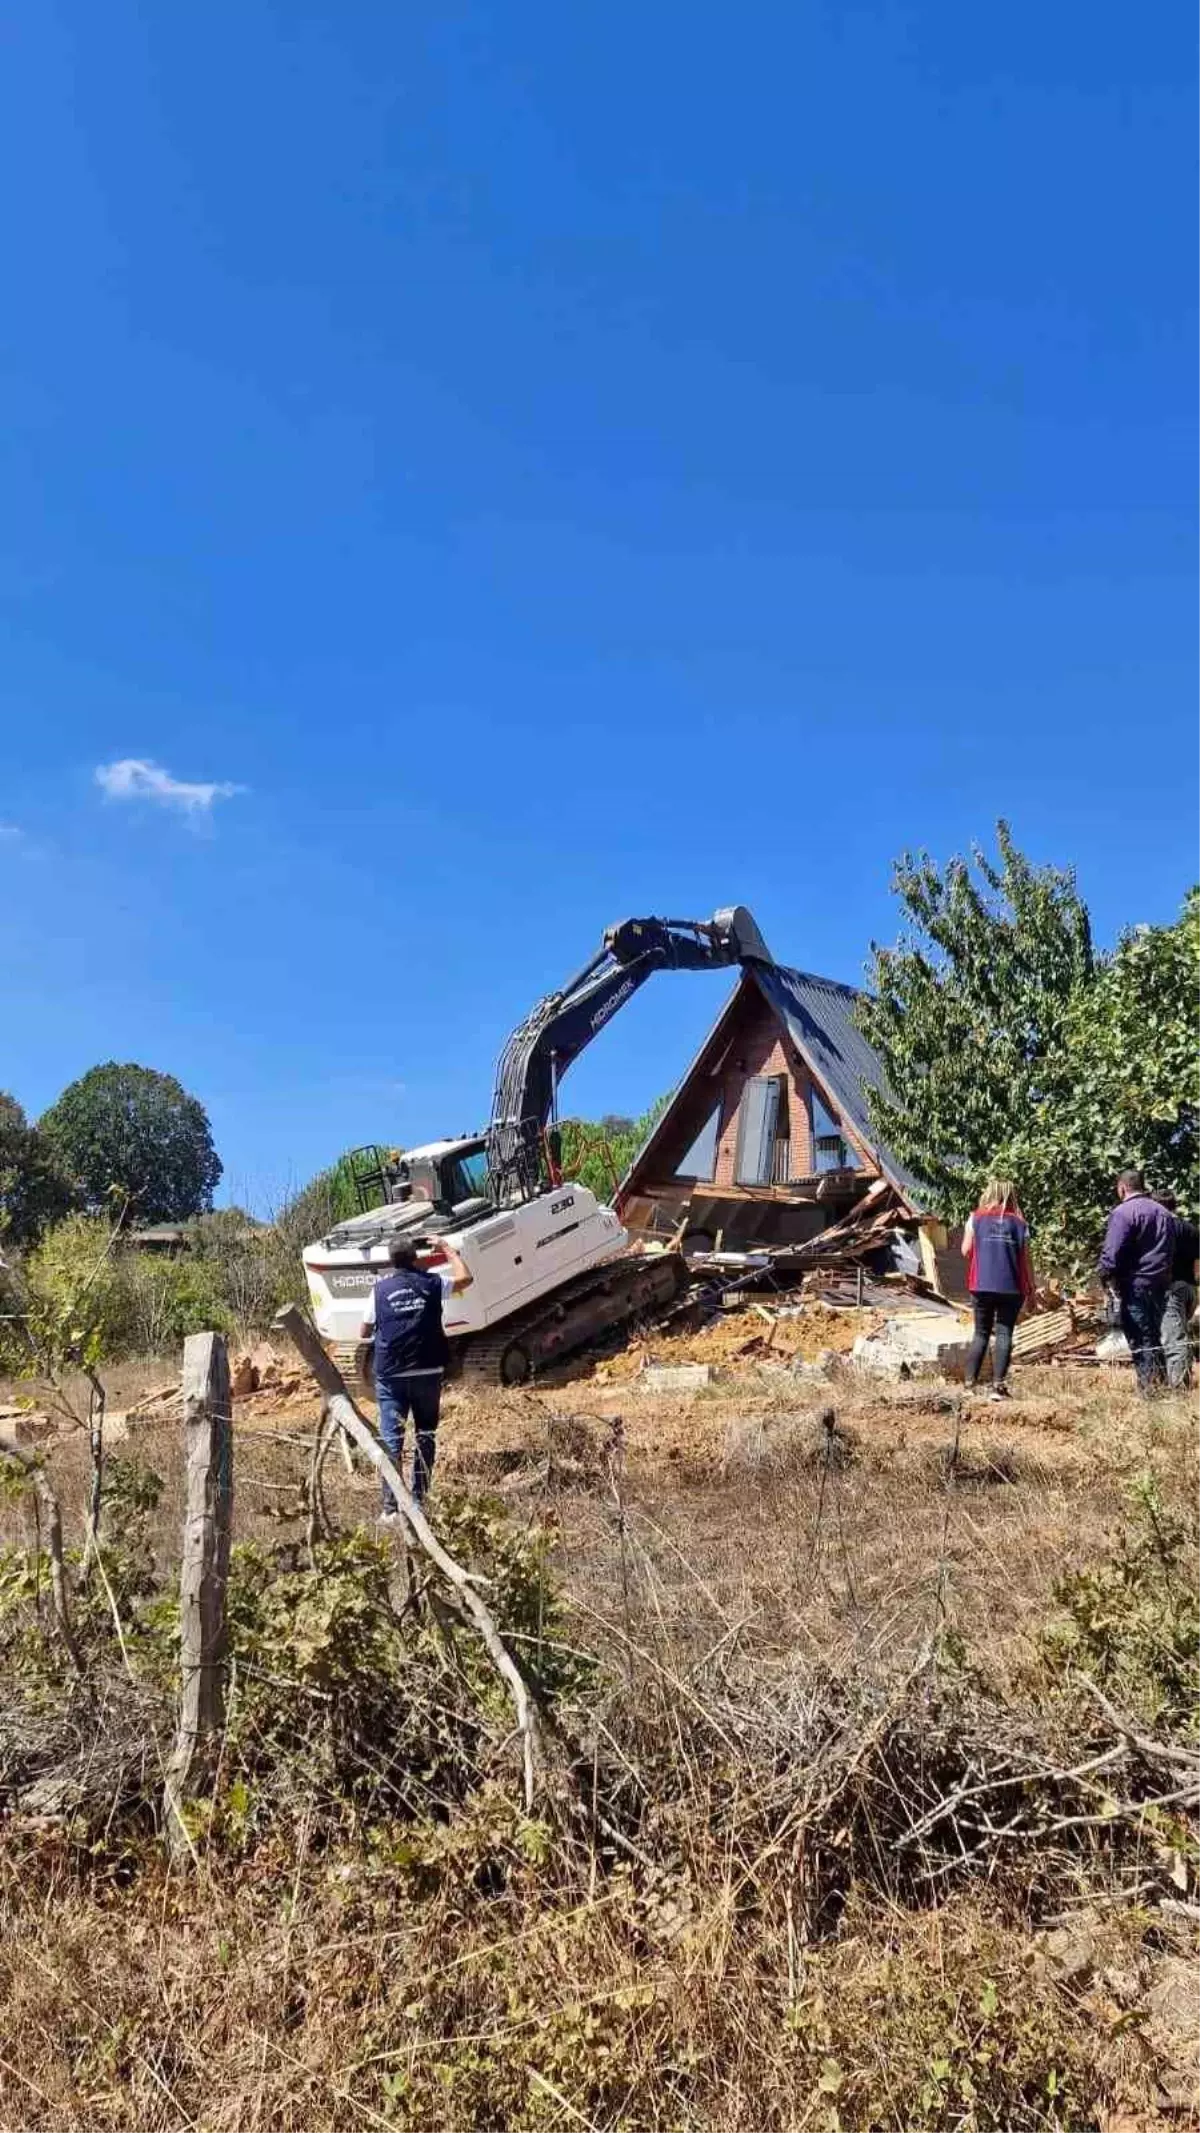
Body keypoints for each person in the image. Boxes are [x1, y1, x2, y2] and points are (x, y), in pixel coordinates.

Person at [360, 1235, 472, 1514]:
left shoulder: (379, 1290)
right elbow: (465, 1278)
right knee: (425, 1435)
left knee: (391, 1441)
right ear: (416, 1258)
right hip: (429, 1369)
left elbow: (363, 1331)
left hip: (391, 1374)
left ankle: (391, 1508)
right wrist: (446, 1247)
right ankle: (420, 1502)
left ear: (391, 1261)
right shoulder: (433, 1283)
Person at [1098, 1169, 1175, 1394]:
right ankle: (1161, 1386)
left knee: (1140, 1338)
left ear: (1122, 1188)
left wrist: (1105, 1273)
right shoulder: (1164, 1213)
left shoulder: (1123, 1213)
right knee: (1154, 1335)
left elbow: (1112, 1251)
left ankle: (1149, 1391)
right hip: (1160, 1284)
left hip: (1135, 1284)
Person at [961, 1177, 1036, 1399]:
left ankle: (969, 1385)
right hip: (1012, 1287)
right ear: (1011, 1196)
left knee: (981, 1333)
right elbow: (1027, 1260)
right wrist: (1031, 1290)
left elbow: (965, 1250)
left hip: (981, 1285)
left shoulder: (975, 1218)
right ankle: (998, 1387)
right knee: (1004, 1333)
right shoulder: (1020, 1224)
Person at [1156, 1191, 1199, 1391]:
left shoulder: (1162, 1229)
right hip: (1189, 1287)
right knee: (1182, 1334)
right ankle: (1184, 1380)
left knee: (1173, 1340)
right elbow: (1198, 1263)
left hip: (1172, 1289)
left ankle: (1178, 1390)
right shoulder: (1190, 1228)